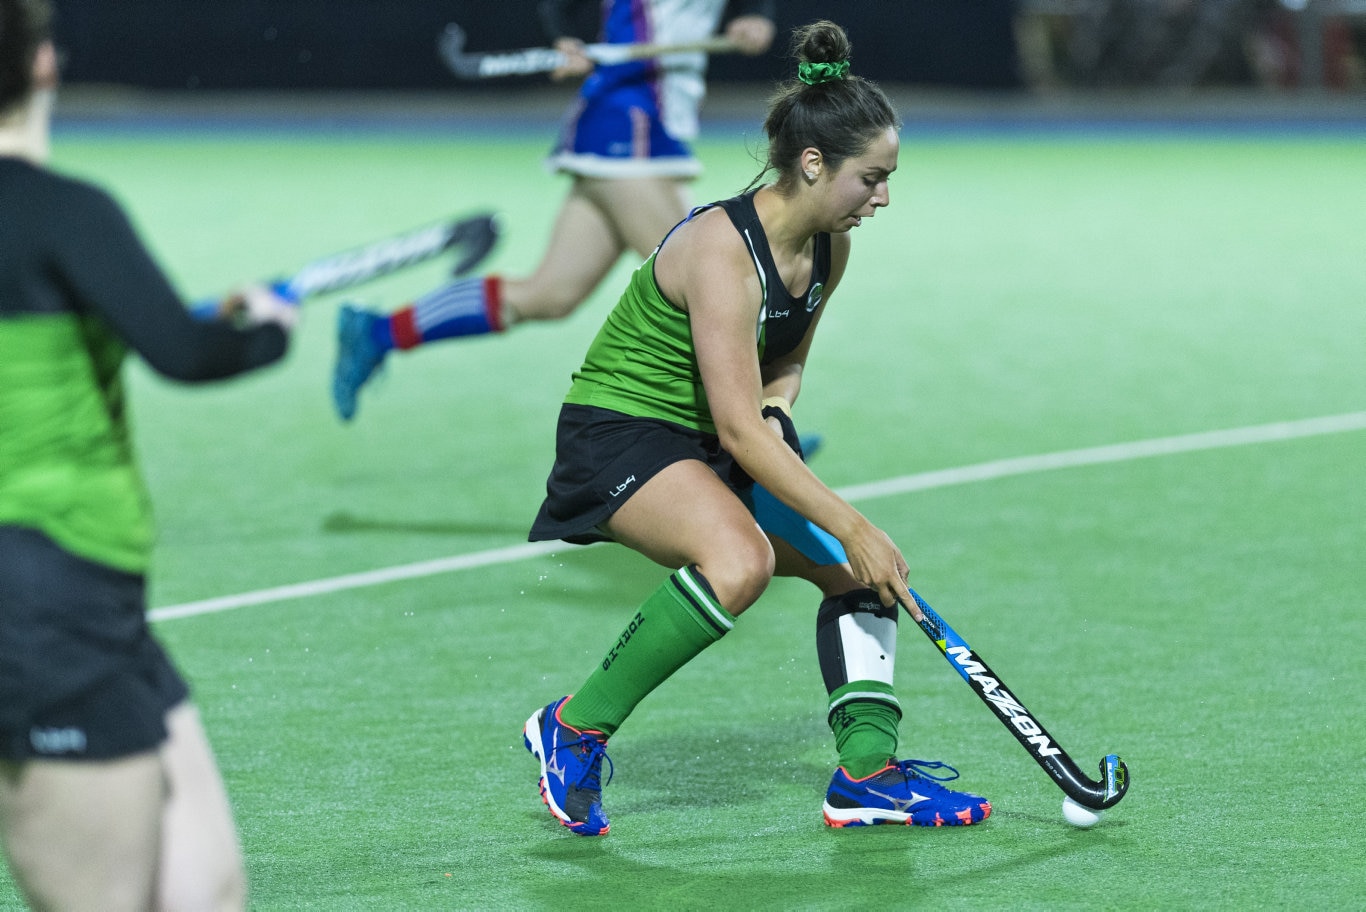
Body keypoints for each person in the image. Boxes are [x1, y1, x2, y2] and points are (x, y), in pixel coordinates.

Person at [520, 20, 991, 837]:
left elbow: (782, 368)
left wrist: (784, 409)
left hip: (710, 432)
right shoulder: (721, 248)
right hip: (620, 432)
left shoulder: (830, 247)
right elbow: (740, 435)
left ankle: (868, 778)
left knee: (854, 572)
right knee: (739, 562)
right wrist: (852, 517)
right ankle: (574, 726)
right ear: (814, 164)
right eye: (871, 179)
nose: (883, 197)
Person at [0, 1, 297, 907]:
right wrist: (269, 332)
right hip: (39, 600)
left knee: (206, 888)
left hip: (89, 603)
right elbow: (187, 351)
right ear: (45, 65)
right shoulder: (61, 212)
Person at [330, 0, 776, 421]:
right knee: (707, 282)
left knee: (551, 294)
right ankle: (754, 431)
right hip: (626, 121)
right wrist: (566, 39)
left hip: (652, 126)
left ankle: (375, 334)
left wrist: (754, 14)